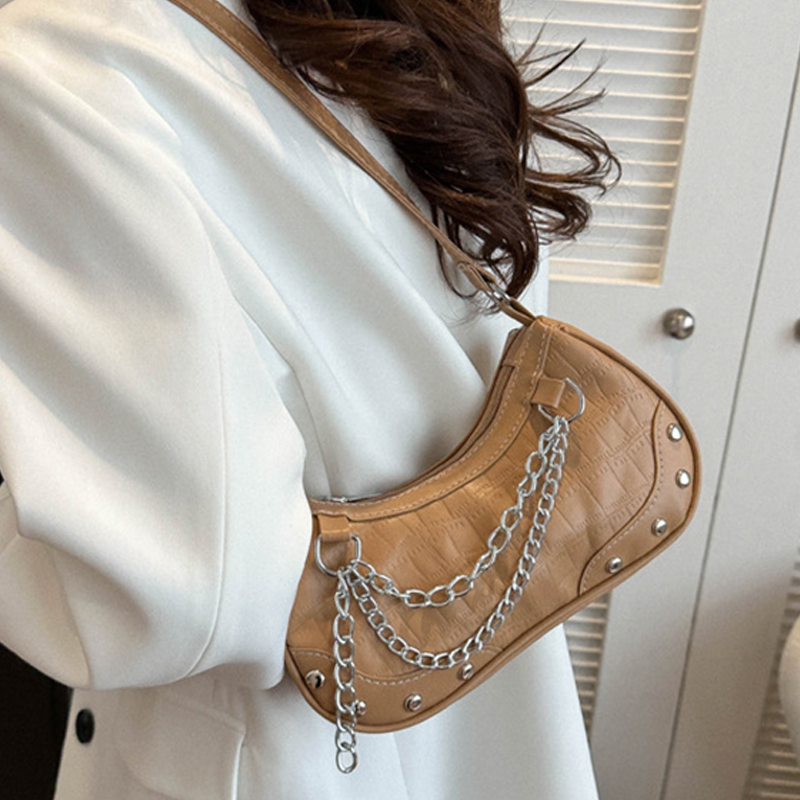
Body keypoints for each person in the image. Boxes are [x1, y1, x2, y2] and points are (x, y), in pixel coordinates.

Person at [0, 0, 616, 797]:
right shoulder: (415, 19)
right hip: (485, 658)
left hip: (284, 738)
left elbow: (178, 591)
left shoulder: (57, 54)